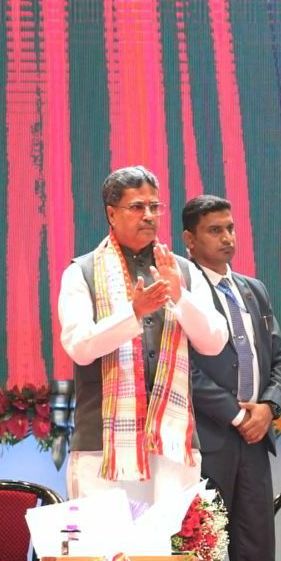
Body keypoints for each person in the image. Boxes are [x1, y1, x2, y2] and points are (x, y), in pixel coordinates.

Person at [58, 166, 227, 505]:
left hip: (172, 444)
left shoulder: (183, 269)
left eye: (155, 206)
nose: (149, 215)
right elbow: (80, 347)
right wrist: (133, 313)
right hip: (104, 447)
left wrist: (180, 296)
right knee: (106, 555)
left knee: (172, 552)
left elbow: (214, 341)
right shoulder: (82, 272)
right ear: (111, 213)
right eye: (137, 207)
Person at [182, 194, 281, 561]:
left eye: (230, 228)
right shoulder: (185, 293)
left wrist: (267, 407)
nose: (227, 238)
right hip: (210, 442)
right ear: (189, 240)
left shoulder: (253, 289)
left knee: (256, 552)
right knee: (201, 555)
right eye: (215, 230)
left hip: (255, 440)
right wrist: (236, 413)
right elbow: (183, 370)